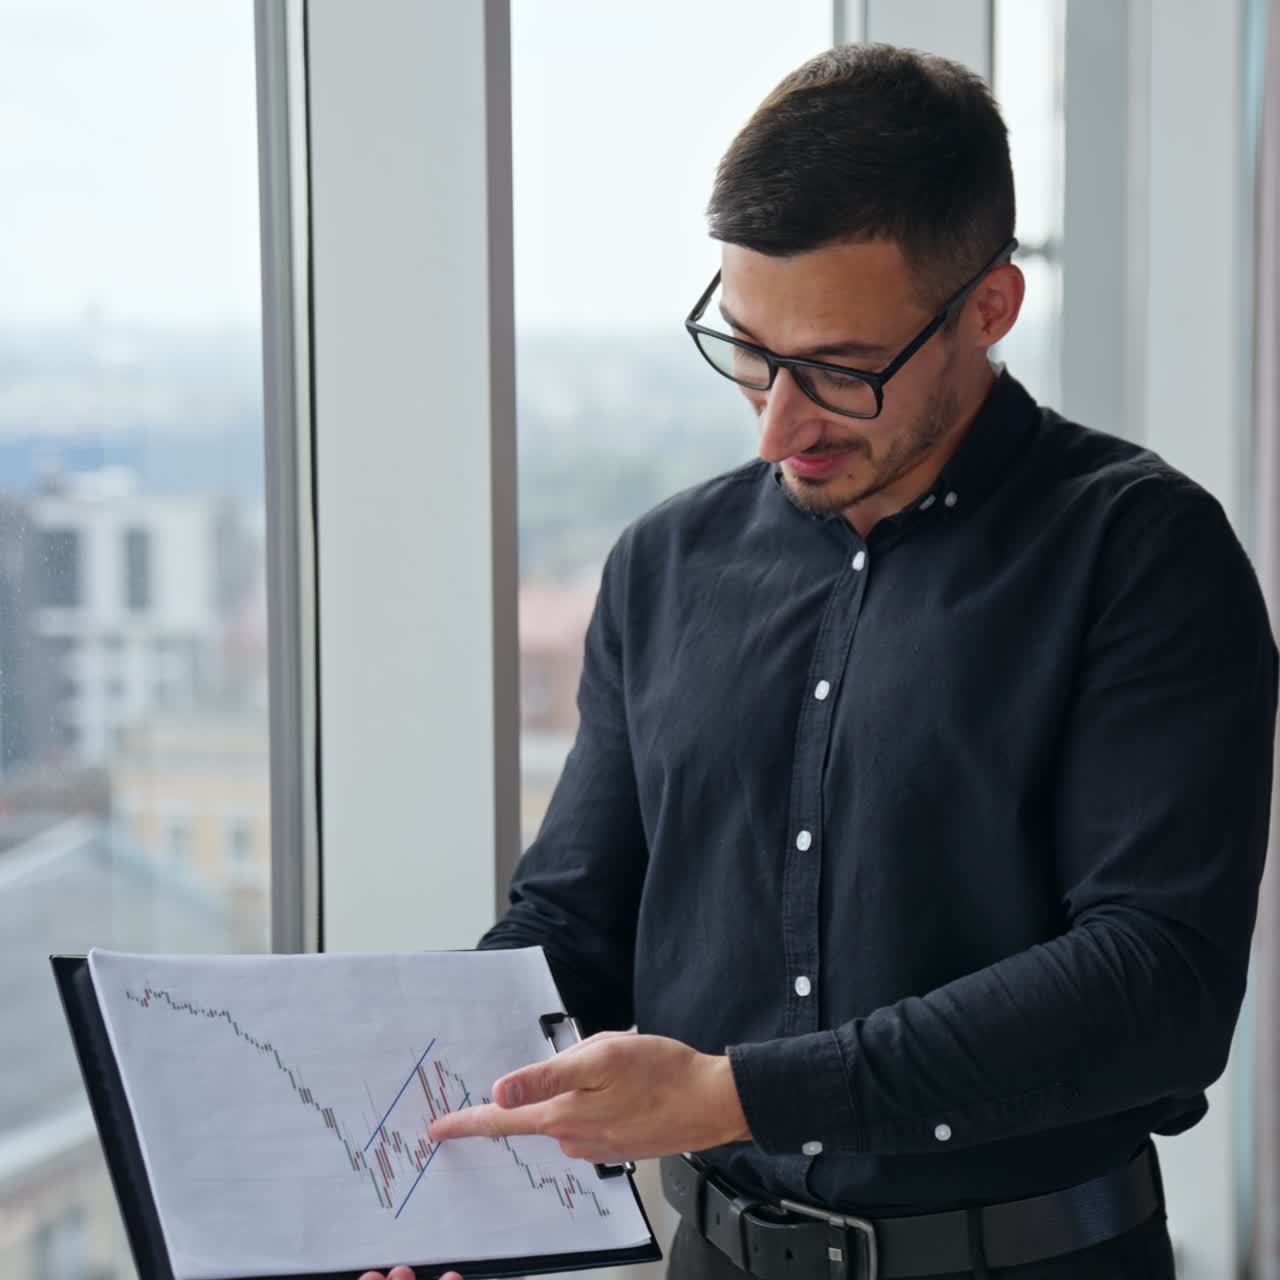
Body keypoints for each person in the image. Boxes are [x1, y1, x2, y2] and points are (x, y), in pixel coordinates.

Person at [361, 42, 1278, 1280]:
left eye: (840, 371)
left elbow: (1152, 985)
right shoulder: (663, 563)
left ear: (989, 308)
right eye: (746, 346)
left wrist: (739, 1092)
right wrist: (436, 1167)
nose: (777, 421)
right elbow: (571, 925)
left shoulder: (1139, 551)